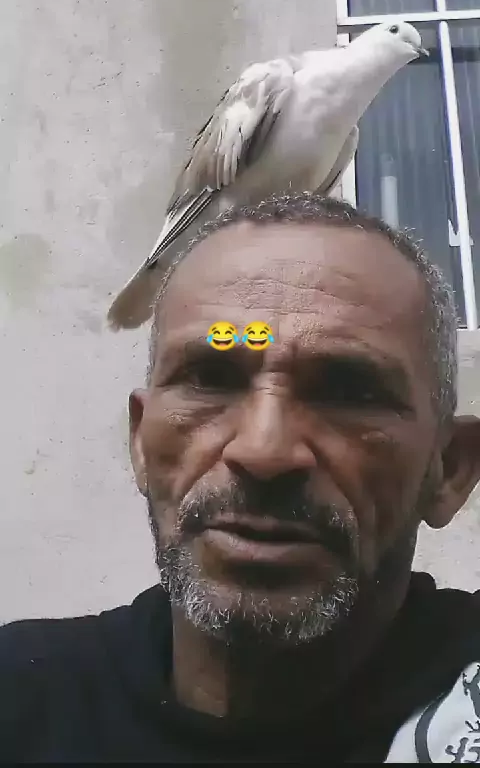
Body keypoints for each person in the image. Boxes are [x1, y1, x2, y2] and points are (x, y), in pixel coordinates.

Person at [2, 192, 480, 763]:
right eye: (210, 376)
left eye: (348, 391)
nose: (263, 451)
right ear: (141, 442)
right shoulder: (21, 701)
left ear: (449, 468)